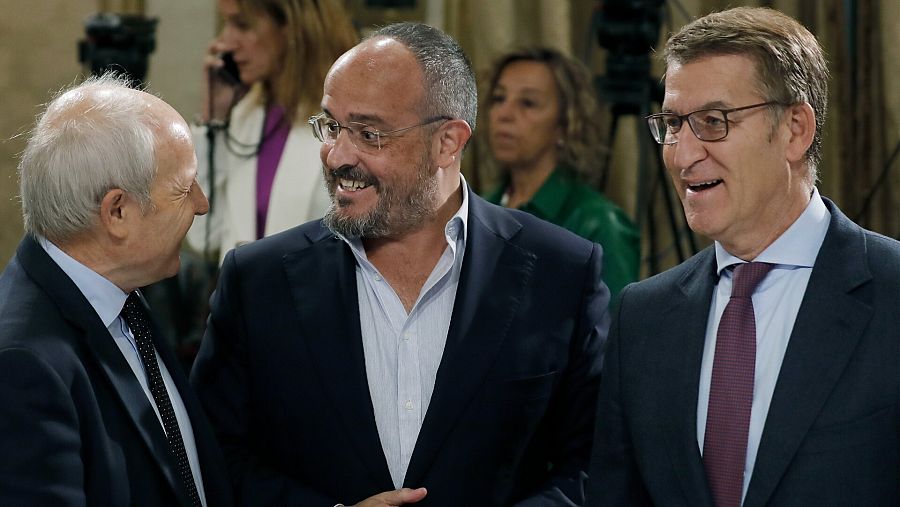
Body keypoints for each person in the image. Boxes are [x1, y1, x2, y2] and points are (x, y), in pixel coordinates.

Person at [191, 22, 609, 506]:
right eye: (331, 127)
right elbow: (212, 456)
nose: (337, 156)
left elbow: (595, 464)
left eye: (369, 134)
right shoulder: (257, 280)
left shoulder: (562, 271)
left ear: (448, 142)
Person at [590, 6, 900, 506]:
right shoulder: (642, 317)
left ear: (795, 129)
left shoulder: (892, 292)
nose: (682, 154)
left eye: (713, 122)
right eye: (673, 123)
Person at [0, 74, 232, 506]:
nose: (202, 204)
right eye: (184, 188)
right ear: (118, 211)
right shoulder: (22, 365)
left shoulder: (121, 292)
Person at [187, 0, 358, 261]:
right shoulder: (245, 115)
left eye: (242, 25)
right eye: (227, 24)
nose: (225, 43)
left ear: (292, 27)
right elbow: (204, 237)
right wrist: (214, 119)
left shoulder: (348, 125)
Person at [482, 47, 640, 300]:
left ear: (565, 124)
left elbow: (615, 323)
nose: (505, 114)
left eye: (528, 103)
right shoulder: (480, 209)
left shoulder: (597, 223)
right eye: (498, 98)